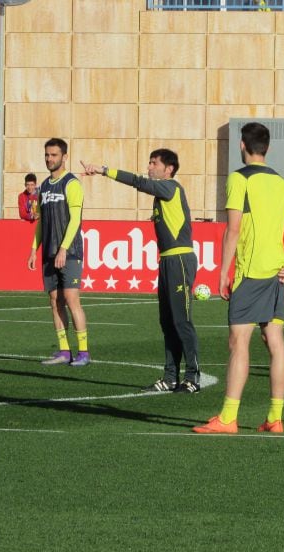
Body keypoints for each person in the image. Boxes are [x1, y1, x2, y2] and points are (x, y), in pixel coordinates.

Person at [193, 122, 284, 434]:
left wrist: (223, 271)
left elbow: (232, 229)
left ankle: (228, 418)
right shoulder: (280, 182)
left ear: (241, 145)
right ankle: (275, 417)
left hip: (251, 272)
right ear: (267, 148)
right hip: (277, 272)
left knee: (238, 342)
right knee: (274, 340)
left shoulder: (238, 179)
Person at [81, 149, 201, 393]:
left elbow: (139, 182)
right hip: (167, 261)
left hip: (179, 260)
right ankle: (170, 377)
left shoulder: (171, 187)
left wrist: (104, 170)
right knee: (167, 322)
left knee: (181, 320)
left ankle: (192, 377)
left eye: (153, 163)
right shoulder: (162, 194)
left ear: (168, 169)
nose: (149, 167)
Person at [28, 138, 90, 367]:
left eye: (54, 155)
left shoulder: (72, 183)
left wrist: (64, 248)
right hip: (49, 253)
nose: (49, 159)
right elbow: (42, 222)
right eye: (47, 155)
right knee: (55, 301)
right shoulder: (43, 186)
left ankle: (83, 352)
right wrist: (34, 249)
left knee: (72, 299)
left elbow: (75, 220)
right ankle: (64, 350)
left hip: (70, 252)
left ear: (64, 157)